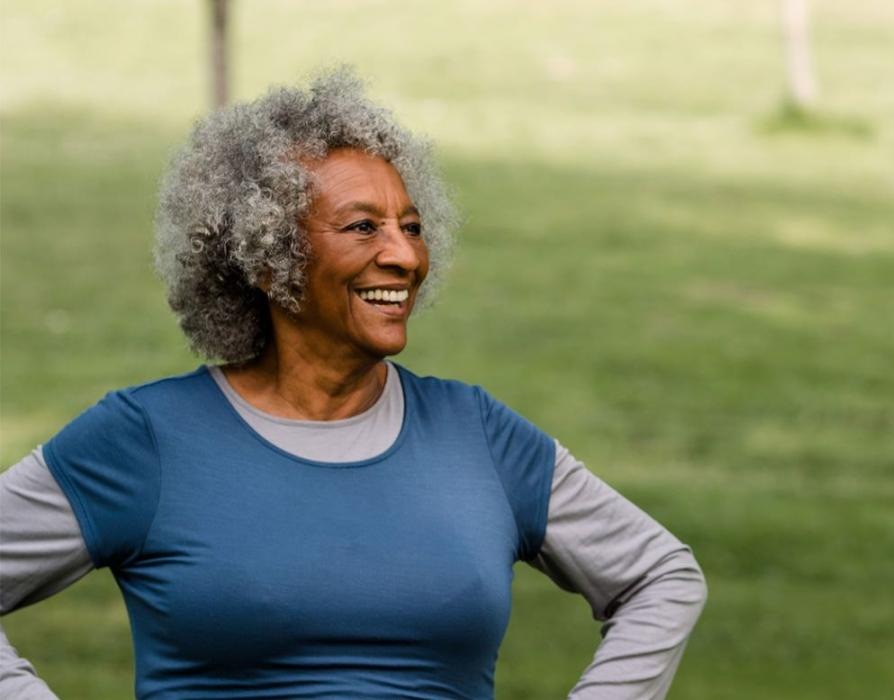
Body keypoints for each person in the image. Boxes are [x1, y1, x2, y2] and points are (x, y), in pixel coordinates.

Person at [0, 70, 705, 699]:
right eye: (362, 228)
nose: (403, 255)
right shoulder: (144, 440)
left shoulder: (479, 435)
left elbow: (661, 577)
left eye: (412, 226)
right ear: (269, 262)